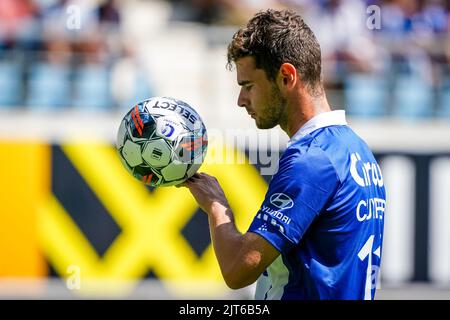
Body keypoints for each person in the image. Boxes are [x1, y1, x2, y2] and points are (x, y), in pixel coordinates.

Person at [181, 9, 386, 300]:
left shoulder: (312, 160)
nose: (241, 101)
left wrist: (215, 205)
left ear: (286, 76)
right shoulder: (358, 151)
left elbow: (238, 270)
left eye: (248, 85)